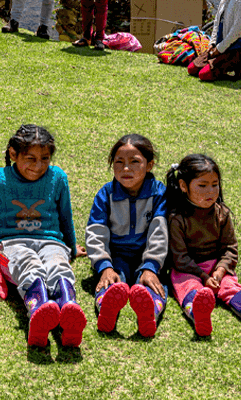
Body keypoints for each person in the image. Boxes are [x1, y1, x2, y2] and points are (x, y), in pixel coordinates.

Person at [0, 124, 83, 347]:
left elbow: (66, 216)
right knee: (27, 263)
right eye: (30, 158)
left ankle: (68, 307)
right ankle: (39, 307)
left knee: (57, 263)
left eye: (45, 159)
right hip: (10, 243)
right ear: (13, 153)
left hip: (51, 240)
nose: (38, 166)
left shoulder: (57, 177)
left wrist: (71, 247)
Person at [165, 153, 241, 337]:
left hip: (216, 267)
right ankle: (198, 313)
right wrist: (203, 276)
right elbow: (180, 257)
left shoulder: (222, 214)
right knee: (189, 287)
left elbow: (229, 248)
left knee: (230, 287)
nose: (210, 191)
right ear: (183, 186)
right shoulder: (177, 218)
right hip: (187, 269)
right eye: (202, 186)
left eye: (214, 184)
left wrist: (219, 272)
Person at [85, 134, 168, 337]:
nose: (126, 169)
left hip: (146, 256)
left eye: (135, 162)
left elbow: (160, 233)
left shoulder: (158, 193)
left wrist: (151, 267)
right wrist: (104, 266)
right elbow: (96, 233)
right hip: (116, 257)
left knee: (150, 284)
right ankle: (107, 307)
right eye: (119, 162)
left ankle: (149, 312)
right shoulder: (106, 194)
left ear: (149, 165)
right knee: (111, 283)